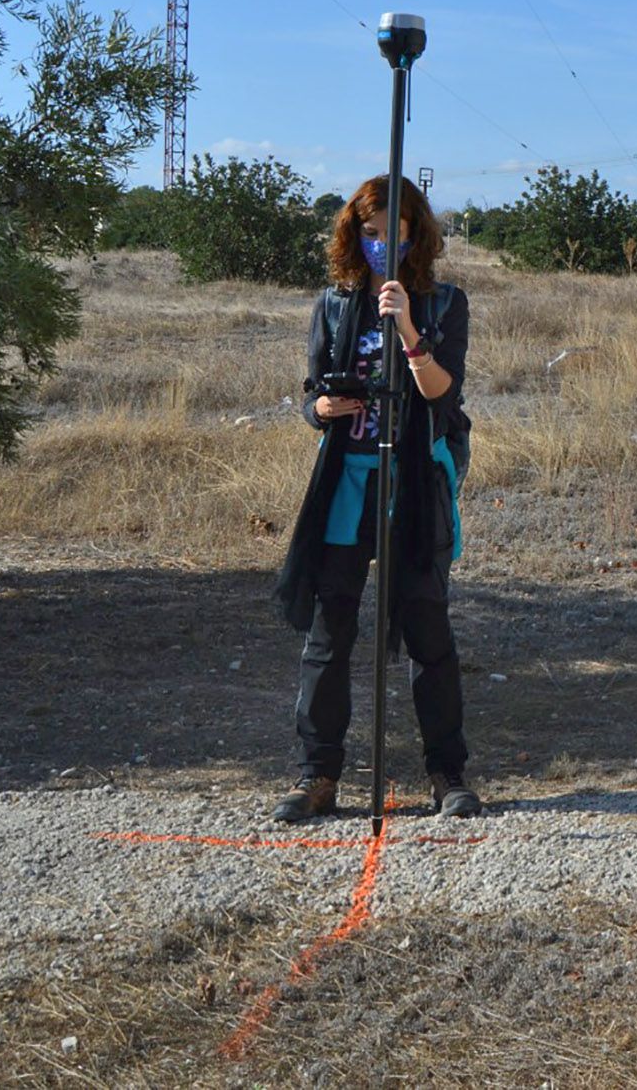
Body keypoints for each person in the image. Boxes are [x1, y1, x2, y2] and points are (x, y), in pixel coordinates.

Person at [272, 175, 480, 821]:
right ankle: (318, 775)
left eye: (395, 231)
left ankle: (447, 773)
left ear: (417, 233)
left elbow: (443, 394)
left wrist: (410, 329)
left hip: (413, 481)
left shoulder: (444, 303)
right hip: (348, 478)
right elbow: (311, 396)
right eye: (369, 233)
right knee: (330, 630)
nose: (381, 243)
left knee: (426, 626)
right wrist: (322, 407)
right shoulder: (334, 305)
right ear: (352, 235)